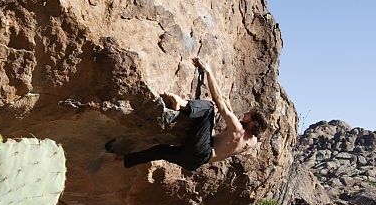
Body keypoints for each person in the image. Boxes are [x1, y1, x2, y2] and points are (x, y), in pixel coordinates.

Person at [106, 59, 269, 171]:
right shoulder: (252, 141)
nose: (245, 114)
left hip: (201, 150)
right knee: (161, 150)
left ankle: (181, 104)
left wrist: (209, 72)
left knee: (209, 109)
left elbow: (218, 102)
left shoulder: (237, 128)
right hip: (194, 162)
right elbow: (230, 113)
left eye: (249, 115)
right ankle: (123, 160)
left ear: (254, 123)